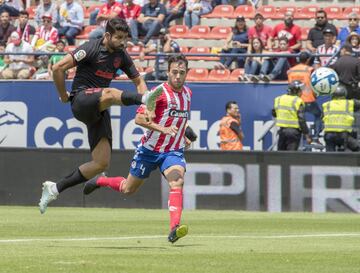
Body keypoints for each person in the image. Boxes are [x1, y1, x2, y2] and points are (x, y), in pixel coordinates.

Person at [38, 18, 164, 214]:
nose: (123, 42)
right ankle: (146, 99)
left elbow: (139, 81)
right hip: (81, 100)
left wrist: (145, 109)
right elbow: (58, 68)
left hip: (98, 109)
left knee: (101, 163)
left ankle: (54, 188)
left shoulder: (121, 55)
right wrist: (63, 95)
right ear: (107, 35)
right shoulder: (90, 48)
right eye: (119, 38)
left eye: (125, 38)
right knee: (110, 93)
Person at [82, 54, 195, 244]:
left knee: (177, 182)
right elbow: (140, 119)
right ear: (168, 72)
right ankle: (100, 180)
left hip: (173, 151)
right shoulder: (158, 93)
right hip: (149, 151)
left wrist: (181, 135)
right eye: (174, 72)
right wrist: (163, 129)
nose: (177, 76)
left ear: (187, 74)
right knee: (128, 189)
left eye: (181, 73)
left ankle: (174, 228)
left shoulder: (187, 94)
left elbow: (179, 119)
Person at [287, 51, 322, 143]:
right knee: (318, 115)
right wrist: (315, 95)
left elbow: (289, 85)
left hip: (295, 100)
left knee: (300, 119)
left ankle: (303, 137)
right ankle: (316, 136)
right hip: (308, 99)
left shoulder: (291, 70)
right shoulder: (310, 69)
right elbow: (314, 84)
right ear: (308, 59)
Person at [273, 80, 312, 151]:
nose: (301, 92)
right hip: (293, 133)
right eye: (300, 90)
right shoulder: (298, 101)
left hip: (282, 131)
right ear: (296, 91)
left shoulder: (279, 99)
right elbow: (301, 119)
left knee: (280, 155)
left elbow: (274, 113)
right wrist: (307, 134)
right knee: (291, 156)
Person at [322, 84, 360, 152]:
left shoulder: (326, 105)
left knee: (329, 156)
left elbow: (322, 117)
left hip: (329, 135)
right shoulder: (349, 103)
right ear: (344, 94)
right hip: (343, 135)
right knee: (357, 147)